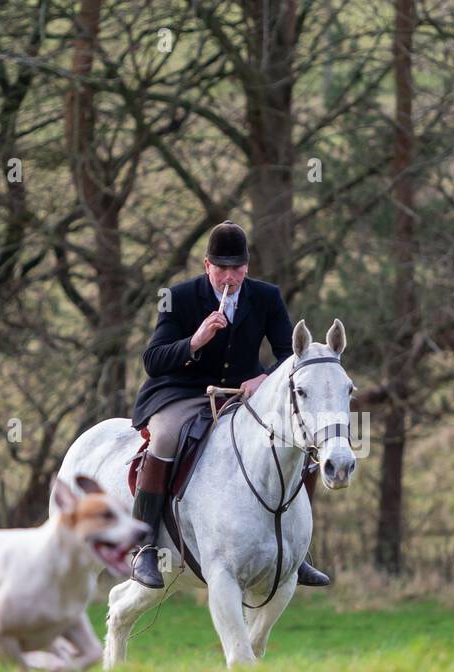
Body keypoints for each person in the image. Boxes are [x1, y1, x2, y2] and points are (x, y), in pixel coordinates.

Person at [127, 220, 330, 589]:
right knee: (166, 440)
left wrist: (265, 378)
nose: (229, 277)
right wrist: (195, 340)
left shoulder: (266, 296)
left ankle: (298, 552)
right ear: (207, 265)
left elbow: (289, 354)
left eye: (236, 268)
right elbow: (153, 359)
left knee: (302, 443)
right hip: (182, 392)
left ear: (247, 267)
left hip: (243, 395)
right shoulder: (178, 296)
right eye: (221, 268)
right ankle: (145, 548)